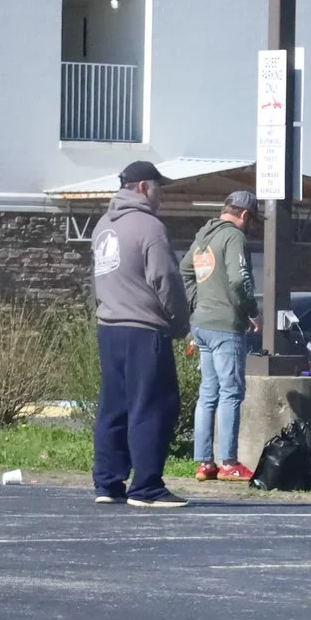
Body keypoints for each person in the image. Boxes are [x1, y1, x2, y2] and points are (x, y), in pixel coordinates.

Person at [90, 160, 191, 508]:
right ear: (146, 188)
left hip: (109, 328)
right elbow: (165, 279)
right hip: (144, 329)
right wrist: (180, 322)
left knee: (113, 407)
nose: (160, 195)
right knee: (153, 406)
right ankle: (147, 487)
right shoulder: (150, 227)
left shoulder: (103, 226)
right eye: (159, 188)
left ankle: (107, 482)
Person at [184, 190, 259, 482]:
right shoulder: (233, 237)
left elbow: (185, 269)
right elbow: (239, 279)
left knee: (208, 394)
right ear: (245, 215)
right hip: (226, 327)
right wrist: (252, 312)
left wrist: (197, 304)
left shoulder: (203, 236)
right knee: (231, 392)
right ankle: (228, 462)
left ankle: (205, 464)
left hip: (201, 325)